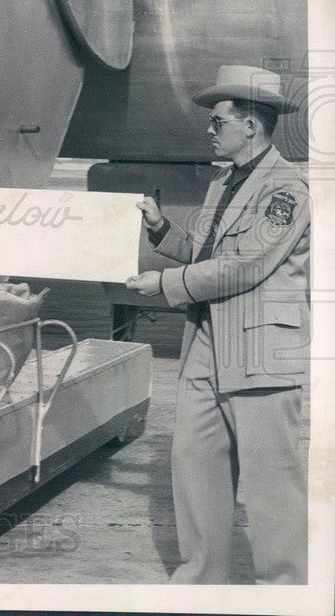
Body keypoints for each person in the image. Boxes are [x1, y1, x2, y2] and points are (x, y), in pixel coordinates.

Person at [125, 65, 309, 584]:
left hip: (261, 349)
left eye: (218, 120)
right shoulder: (224, 180)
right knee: (194, 462)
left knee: (271, 479)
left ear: (251, 124)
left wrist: (163, 285)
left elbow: (243, 266)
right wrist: (162, 230)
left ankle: (286, 589)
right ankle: (202, 582)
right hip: (206, 340)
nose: (210, 129)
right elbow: (206, 253)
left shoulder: (286, 189)